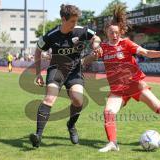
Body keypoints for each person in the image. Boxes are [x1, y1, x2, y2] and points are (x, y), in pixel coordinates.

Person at [90, 5, 160, 152]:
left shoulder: (126, 43)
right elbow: (93, 45)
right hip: (118, 90)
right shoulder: (103, 48)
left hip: (135, 85)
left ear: (120, 32)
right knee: (108, 112)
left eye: (117, 32)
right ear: (106, 31)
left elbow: (145, 52)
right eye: (111, 32)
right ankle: (113, 143)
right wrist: (94, 46)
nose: (114, 35)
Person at [29, 4, 102, 148]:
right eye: (72, 22)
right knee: (49, 98)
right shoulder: (51, 35)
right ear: (63, 19)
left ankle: (71, 125)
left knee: (78, 100)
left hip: (75, 71)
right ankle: (38, 135)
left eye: (76, 21)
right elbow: (38, 51)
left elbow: (96, 37)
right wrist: (38, 73)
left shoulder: (80, 31)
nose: (75, 25)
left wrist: (96, 46)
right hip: (56, 70)